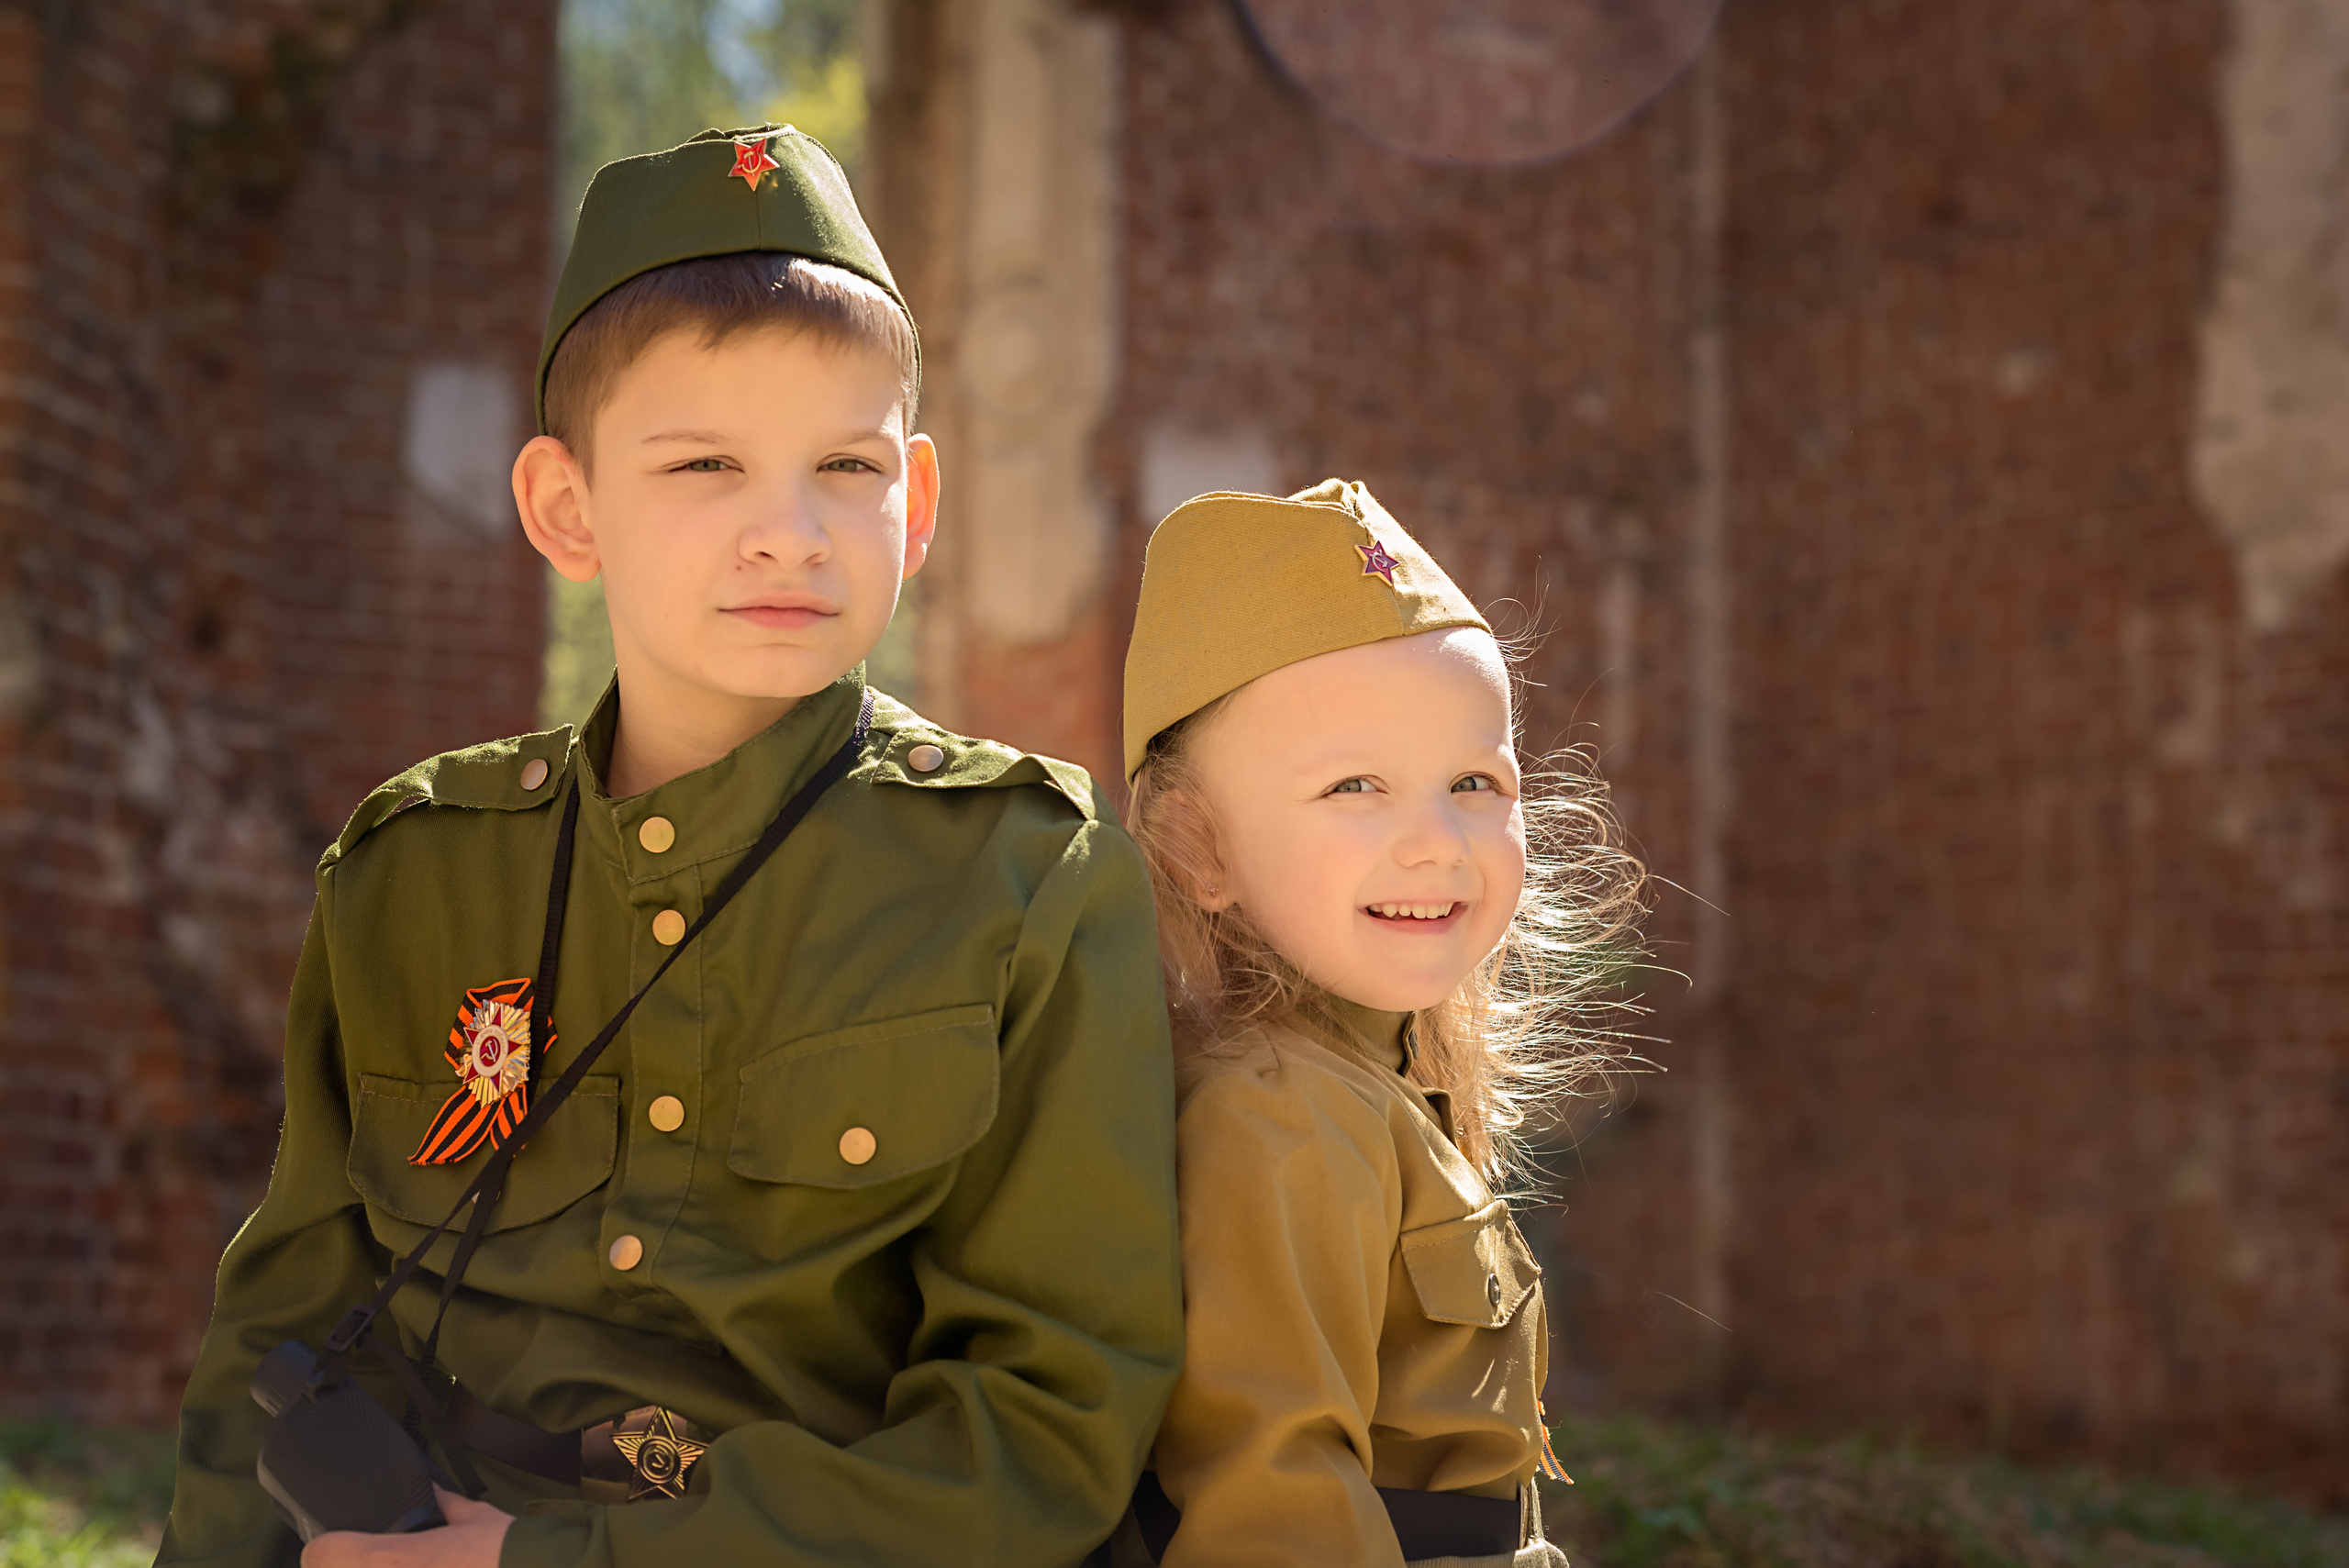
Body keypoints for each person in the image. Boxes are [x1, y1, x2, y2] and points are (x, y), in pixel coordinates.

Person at [158, 126, 1182, 1568]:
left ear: (920, 504)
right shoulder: (414, 872)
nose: (791, 532)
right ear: (566, 509)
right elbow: (289, 1325)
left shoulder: (1028, 879)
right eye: (704, 462)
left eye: (847, 465)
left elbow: (1047, 1424)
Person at [1108, 482, 1646, 1568]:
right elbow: (1277, 1506)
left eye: (1473, 781)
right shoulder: (1279, 1117)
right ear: (1193, 845)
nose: (1436, 840)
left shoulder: (1369, 1082)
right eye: (1356, 785)